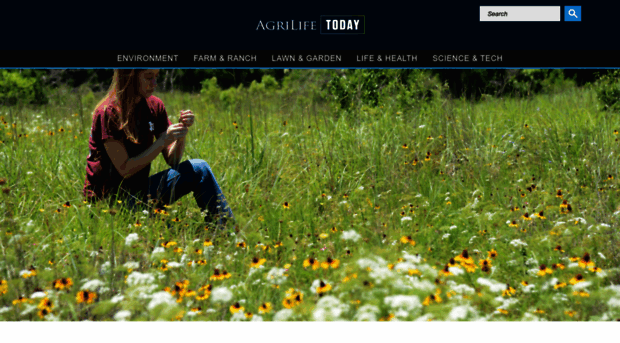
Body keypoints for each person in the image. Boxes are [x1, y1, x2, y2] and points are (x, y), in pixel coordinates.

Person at [83, 69, 234, 227]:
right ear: (129, 76)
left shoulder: (154, 105)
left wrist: (180, 134)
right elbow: (125, 169)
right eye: (148, 77)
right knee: (162, 230)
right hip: (110, 205)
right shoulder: (108, 112)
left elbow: (173, 159)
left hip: (140, 192)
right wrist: (162, 141)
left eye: (156, 77)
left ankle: (226, 231)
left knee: (199, 168)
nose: (154, 83)